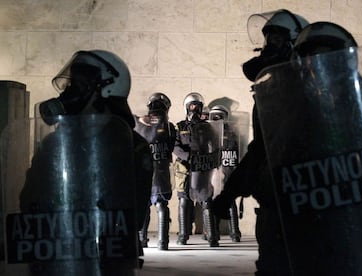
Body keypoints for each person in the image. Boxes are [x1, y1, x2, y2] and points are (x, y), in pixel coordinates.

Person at [253, 21, 362, 275]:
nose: (319, 63)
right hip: (303, 218)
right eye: (311, 56)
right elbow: (273, 158)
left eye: (329, 55)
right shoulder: (289, 104)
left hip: (355, 214)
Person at [19, 50, 153, 275]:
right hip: (54, 255)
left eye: (80, 85)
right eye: (71, 84)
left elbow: (130, 216)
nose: (70, 92)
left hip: (104, 262)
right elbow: (29, 199)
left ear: (107, 90)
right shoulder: (55, 142)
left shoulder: (131, 147)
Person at [211, 9, 309, 275]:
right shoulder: (270, 88)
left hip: (311, 199)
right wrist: (229, 193)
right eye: (269, 39)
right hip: (276, 200)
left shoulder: (315, 89)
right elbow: (262, 148)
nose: (269, 47)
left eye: (278, 39)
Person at [174, 92, 220, 247]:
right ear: (187, 108)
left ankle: (212, 236)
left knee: (207, 200)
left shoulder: (207, 127)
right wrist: (188, 157)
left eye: (197, 106)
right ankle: (183, 235)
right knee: (183, 200)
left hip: (202, 167)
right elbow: (175, 147)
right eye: (192, 106)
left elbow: (214, 145)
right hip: (184, 169)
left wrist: (212, 160)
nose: (195, 109)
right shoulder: (179, 126)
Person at [134, 92, 176, 250]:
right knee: (160, 205)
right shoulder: (169, 127)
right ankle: (161, 242)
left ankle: (142, 239)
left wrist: (139, 120)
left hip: (148, 171)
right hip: (159, 170)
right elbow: (171, 147)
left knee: (146, 206)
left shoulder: (141, 124)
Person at [209, 105, 242, 242]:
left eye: (219, 116)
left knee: (230, 200)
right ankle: (213, 232)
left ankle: (234, 233)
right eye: (214, 116)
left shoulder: (231, 133)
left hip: (227, 168)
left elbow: (235, 150)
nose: (217, 119)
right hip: (213, 170)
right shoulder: (208, 131)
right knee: (213, 200)